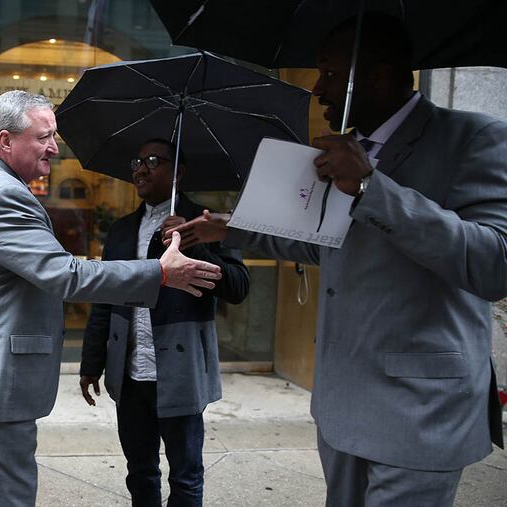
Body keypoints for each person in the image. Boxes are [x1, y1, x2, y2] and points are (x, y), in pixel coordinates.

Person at [168, 13, 507, 507]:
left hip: (420, 409)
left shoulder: (473, 138)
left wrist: (371, 186)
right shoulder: (347, 150)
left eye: (329, 73)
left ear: (379, 76)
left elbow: (494, 264)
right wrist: (230, 226)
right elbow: (324, 243)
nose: (319, 89)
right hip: (342, 402)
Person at [0, 90, 223, 507]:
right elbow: (65, 275)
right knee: (3, 496)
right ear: (5, 141)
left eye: (55, 135)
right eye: (44, 136)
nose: (55, 147)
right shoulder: (3, 195)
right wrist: (160, 271)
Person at [79, 139, 250, 506]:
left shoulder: (207, 223)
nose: (140, 168)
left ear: (179, 172)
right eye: (137, 161)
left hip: (180, 370)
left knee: (186, 476)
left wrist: (194, 243)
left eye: (152, 161)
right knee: (140, 471)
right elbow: (104, 299)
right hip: (130, 372)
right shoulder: (123, 230)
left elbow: (239, 287)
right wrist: (91, 363)